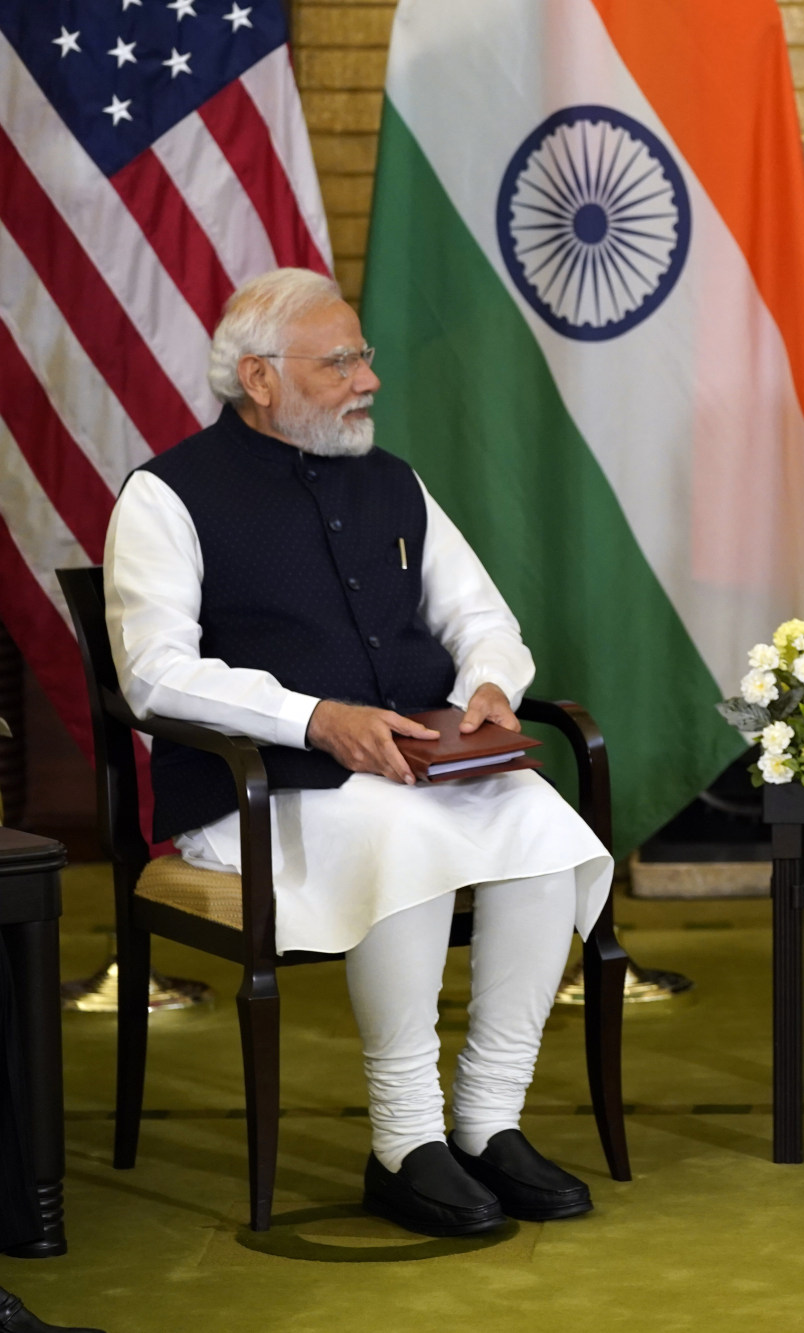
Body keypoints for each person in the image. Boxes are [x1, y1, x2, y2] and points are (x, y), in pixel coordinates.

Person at [103, 268, 615, 1238]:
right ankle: (405, 1144)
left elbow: (481, 619)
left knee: (545, 829)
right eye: (340, 361)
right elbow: (154, 676)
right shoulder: (165, 495)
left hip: (411, 771)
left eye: (363, 355)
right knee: (403, 837)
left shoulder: (392, 481)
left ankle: (487, 1124)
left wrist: (486, 693)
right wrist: (316, 717)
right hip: (255, 792)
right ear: (259, 378)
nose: (367, 377)